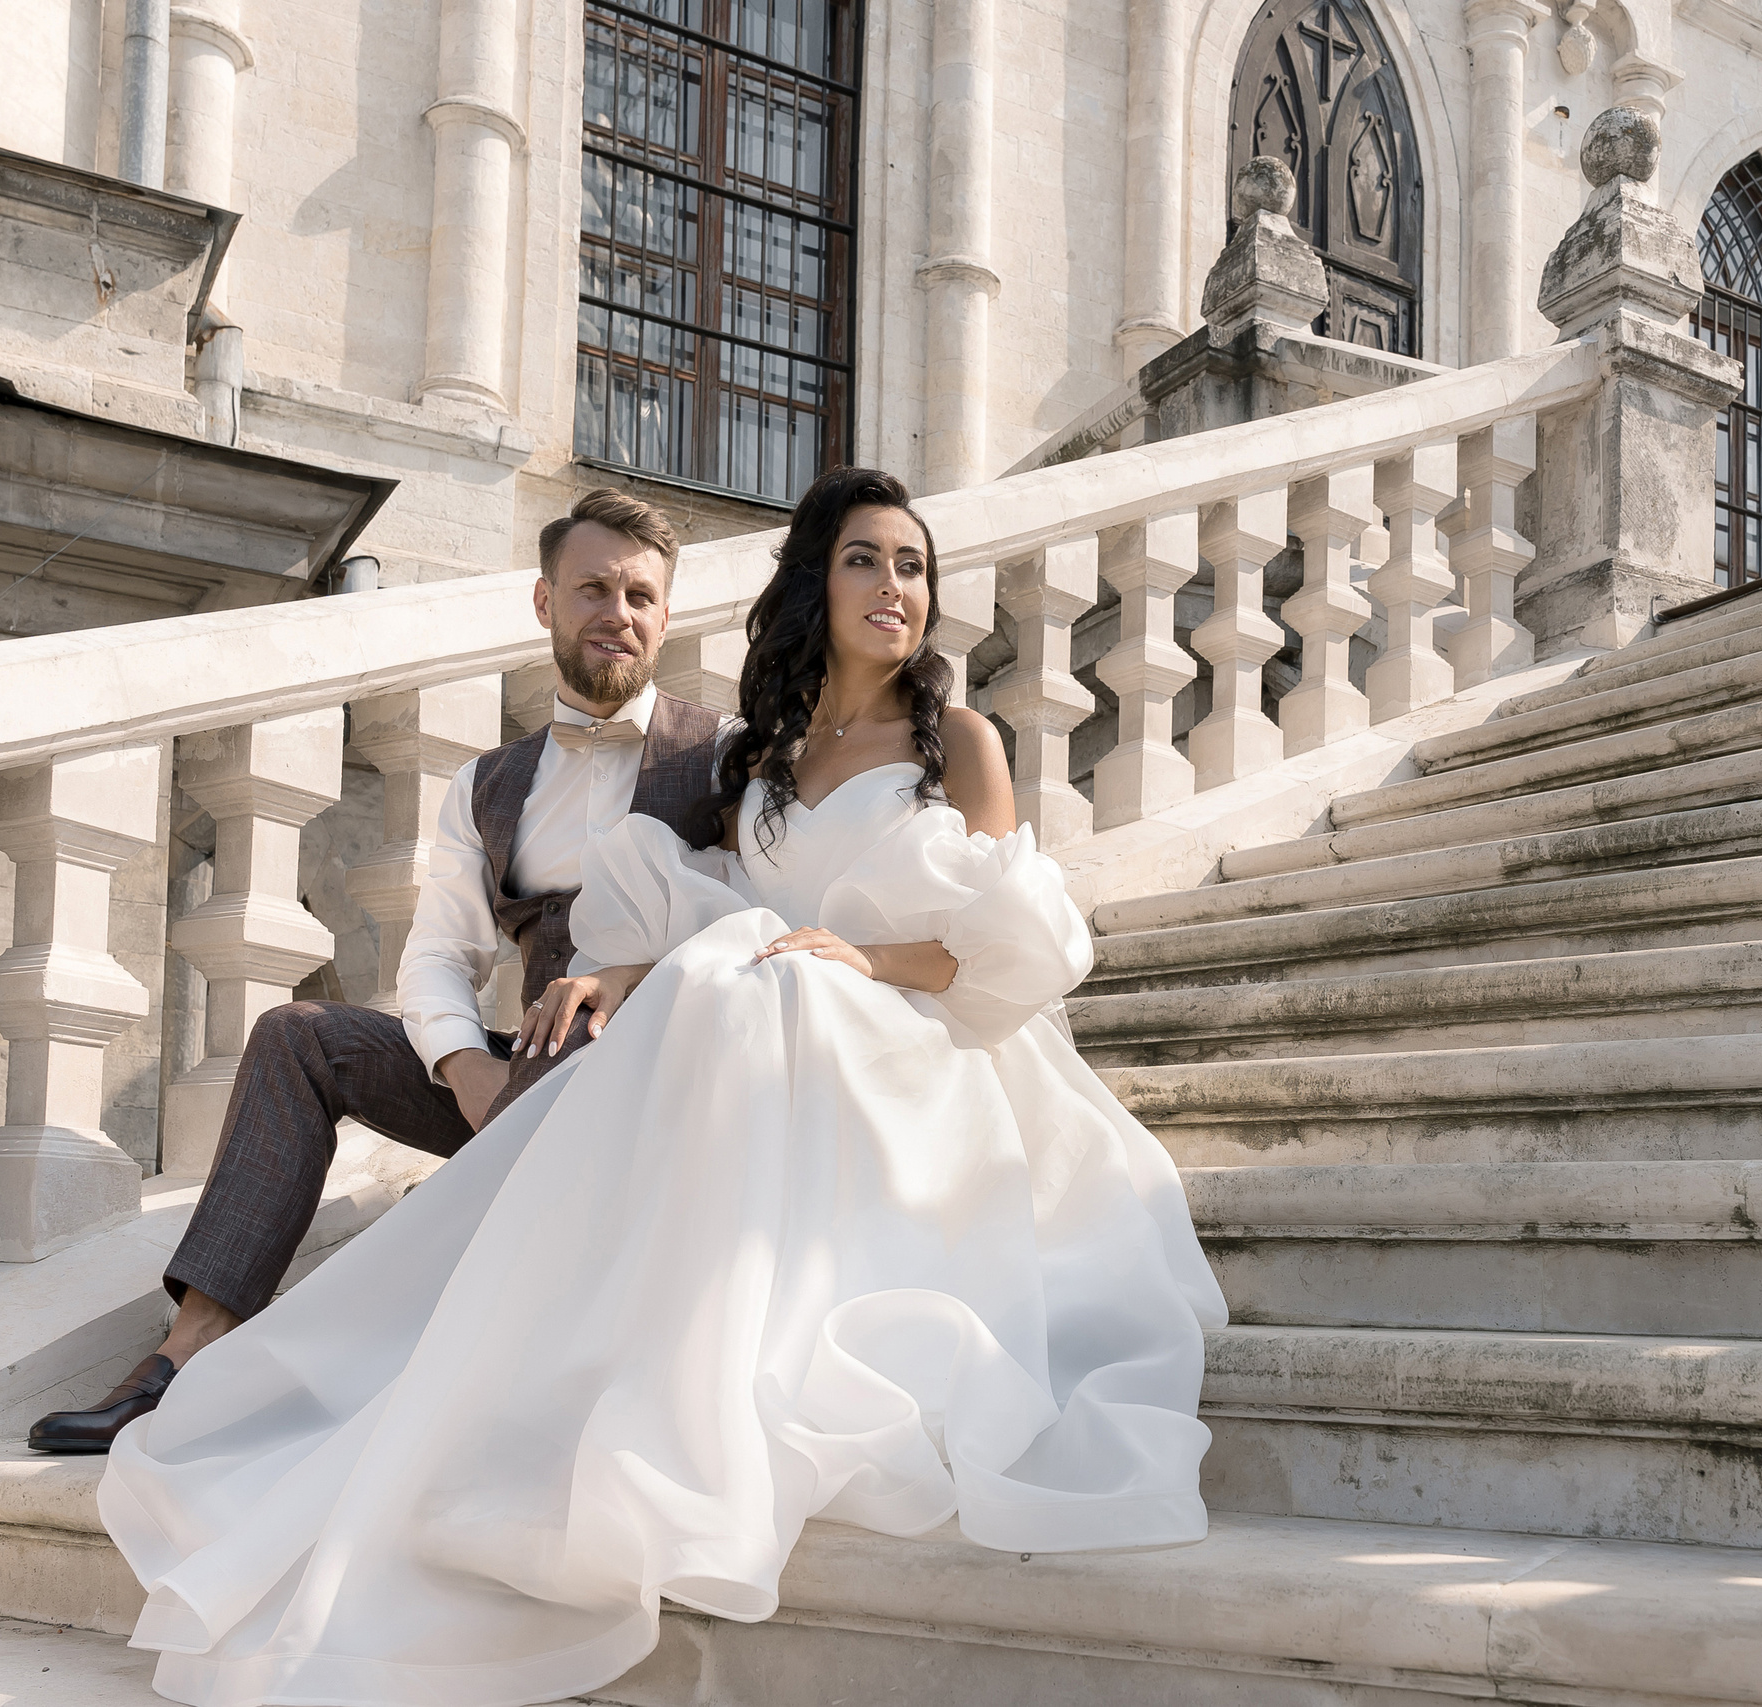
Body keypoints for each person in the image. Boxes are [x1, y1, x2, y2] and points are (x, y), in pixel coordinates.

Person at [96, 467, 1229, 1707]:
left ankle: (670, 1390)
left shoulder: (943, 741)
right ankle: (192, 1344)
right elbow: (685, 918)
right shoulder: (751, 761)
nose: (894, 585)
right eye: (866, 559)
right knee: (332, 1028)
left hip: (902, 1033)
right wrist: (550, 1013)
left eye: (913, 566)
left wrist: (855, 958)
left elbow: (1015, 943)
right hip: (622, 1041)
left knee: (760, 984)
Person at [27, 487, 723, 1453]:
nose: (619, 614)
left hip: (656, 1079)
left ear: (665, 612)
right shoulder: (490, 781)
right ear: (544, 602)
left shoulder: (726, 758)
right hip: (518, 1081)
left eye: (641, 595)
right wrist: (464, 1069)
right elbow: (439, 952)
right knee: (298, 1035)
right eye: (593, 588)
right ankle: (182, 1360)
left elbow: (758, 929)